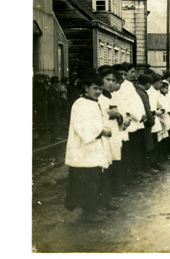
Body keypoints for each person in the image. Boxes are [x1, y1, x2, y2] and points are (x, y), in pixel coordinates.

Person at [64, 74, 113, 223]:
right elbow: (81, 126)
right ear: (86, 88)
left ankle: (94, 208)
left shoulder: (94, 102)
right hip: (84, 148)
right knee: (87, 181)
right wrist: (101, 131)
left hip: (94, 146)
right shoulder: (80, 104)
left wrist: (104, 128)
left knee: (95, 178)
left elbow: (98, 121)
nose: (97, 91)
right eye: (94, 88)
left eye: (100, 88)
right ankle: (88, 213)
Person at [97, 66, 127, 198]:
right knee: (104, 164)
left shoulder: (113, 97)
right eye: (107, 79)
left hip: (115, 132)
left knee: (116, 161)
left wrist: (121, 117)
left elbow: (122, 113)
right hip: (103, 135)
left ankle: (115, 189)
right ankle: (105, 195)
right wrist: (108, 113)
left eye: (113, 80)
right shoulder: (98, 98)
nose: (110, 83)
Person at [47, 76, 63, 141]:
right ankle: (54, 136)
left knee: (56, 121)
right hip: (53, 109)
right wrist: (55, 107)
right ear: (54, 83)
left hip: (56, 108)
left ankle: (55, 135)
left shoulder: (54, 89)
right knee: (55, 122)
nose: (58, 84)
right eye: (57, 82)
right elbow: (51, 101)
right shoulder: (51, 90)